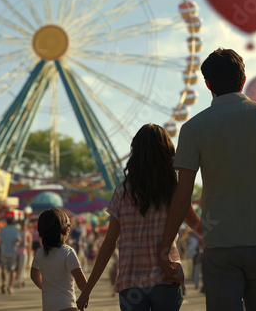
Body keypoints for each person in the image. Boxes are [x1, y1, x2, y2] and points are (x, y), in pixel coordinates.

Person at [158, 48, 256, 311]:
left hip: (221, 243)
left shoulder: (193, 128)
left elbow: (182, 194)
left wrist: (165, 247)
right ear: (243, 80)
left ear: (207, 84)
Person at [76, 123, 201, 311]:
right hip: (166, 278)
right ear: (167, 153)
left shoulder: (122, 192)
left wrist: (87, 290)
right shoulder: (173, 191)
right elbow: (198, 226)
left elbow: (109, 243)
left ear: (136, 153)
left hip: (130, 283)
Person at [30, 208, 87, 311]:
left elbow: (34, 275)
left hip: (48, 306)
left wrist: (46, 288)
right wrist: (85, 295)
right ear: (66, 230)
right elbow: (81, 281)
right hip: (67, 305)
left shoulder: (40, 253)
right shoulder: (68, 252)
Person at [0, 217, 21, 294]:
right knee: (12, 270)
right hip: (12, 251)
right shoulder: (16, 230)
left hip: (3, 251)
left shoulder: (2, 229)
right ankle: (10, 286)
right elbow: (18, 240)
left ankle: (4, 282)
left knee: (3, 268)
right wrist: (16, 244)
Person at [16, 220, 32, 288]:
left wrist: (29, 254)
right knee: (18, 267)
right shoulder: (18, 232)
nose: (24, 226)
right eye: (23, 224)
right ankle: (22, 279)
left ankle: (20, 281)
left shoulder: (28, 234)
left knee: (22, 267)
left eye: (25, 225)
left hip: (24, 252)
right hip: (17, 251)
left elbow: (30, 245)